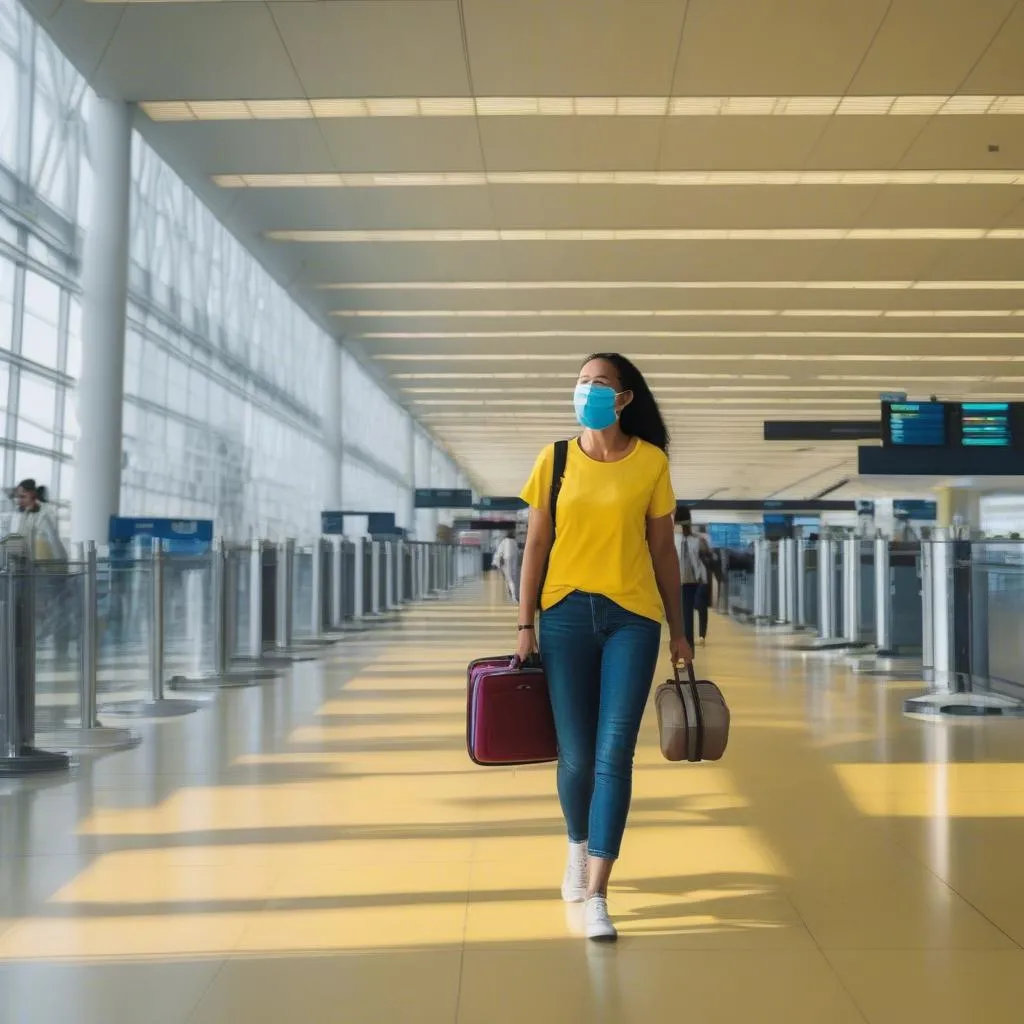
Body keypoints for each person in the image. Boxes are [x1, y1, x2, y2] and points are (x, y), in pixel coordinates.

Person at [517, 353, 691, 942]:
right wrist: (524, 624)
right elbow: (535, 545)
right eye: (582, 382)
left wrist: (681, 632)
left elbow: (665, 552)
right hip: (564, 615)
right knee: (578, 756)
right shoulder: (555, 458)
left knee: (616, 755)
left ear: (624, 399)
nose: (588, 390)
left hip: (633, 619)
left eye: (601, 384)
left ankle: (597, 892)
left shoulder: (651, 463)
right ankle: (576, 845)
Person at [680, 519, 712, 648]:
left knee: (701, 607)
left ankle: (701, 635)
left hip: (699, 580)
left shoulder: (698, 540)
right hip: (684, 581)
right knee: (686, 612)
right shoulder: (677, 541)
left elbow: (707, 556)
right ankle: (688, 641)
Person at [493, 530, 520, 602]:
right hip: (514, 562)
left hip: (506, 562)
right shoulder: (514, 542)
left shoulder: (504, 541)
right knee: (513, 579)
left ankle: (513, 596)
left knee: (509, 579)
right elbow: (518, 553)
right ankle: (513, 595)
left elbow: (499, 553)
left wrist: (496, 564)